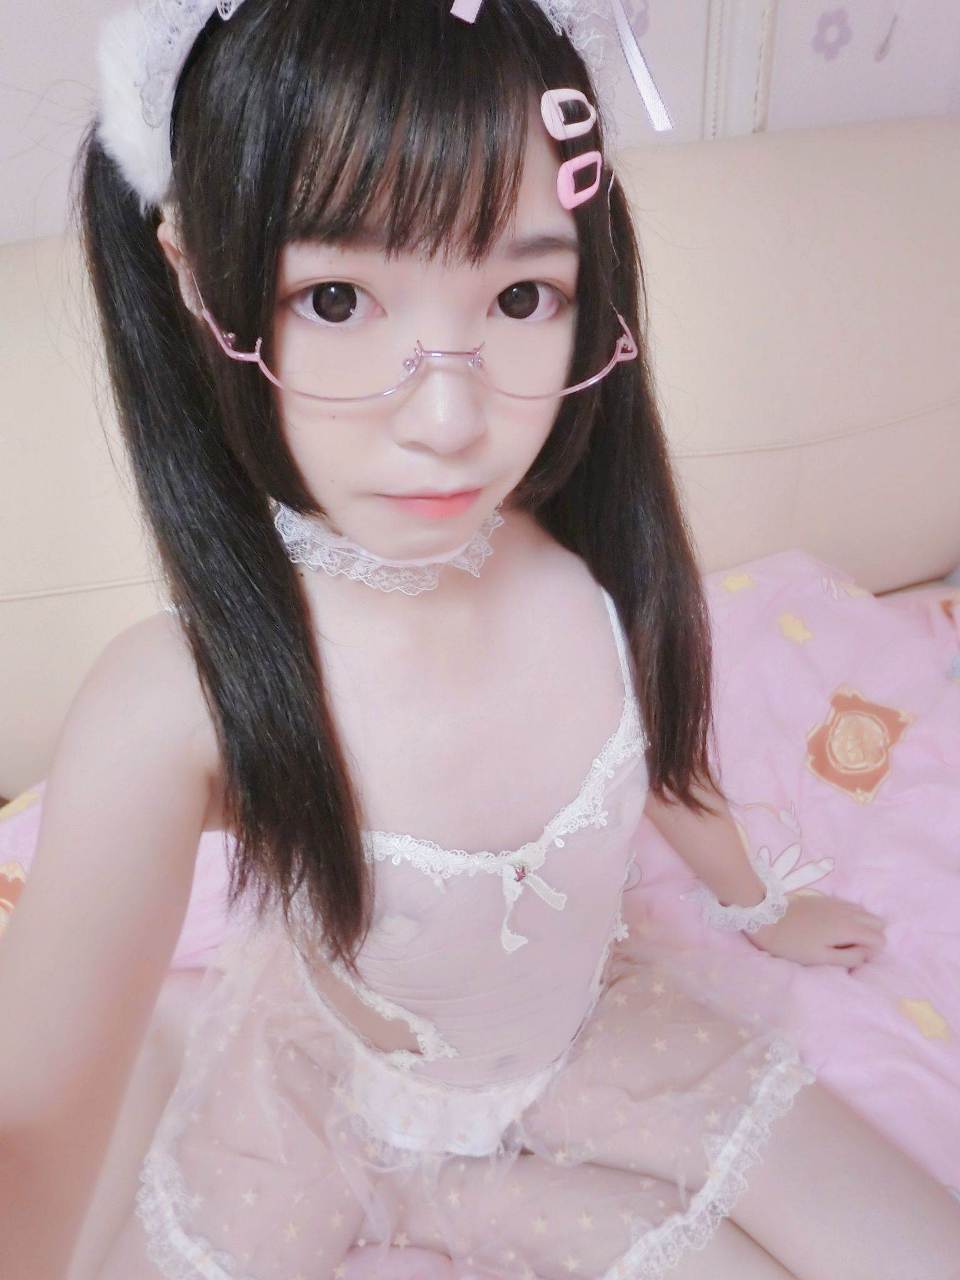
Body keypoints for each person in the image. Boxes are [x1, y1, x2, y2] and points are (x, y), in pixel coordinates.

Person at [1, 2, 959, 1278]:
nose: (450, 416)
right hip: (315, 1099)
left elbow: (656, 750)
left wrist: (755, 897)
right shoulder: (181, 696)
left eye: (519, 294)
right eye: (335, 297)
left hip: (585, 1039)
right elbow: (29, 1123)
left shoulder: (594, 559)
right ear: (192, 273)